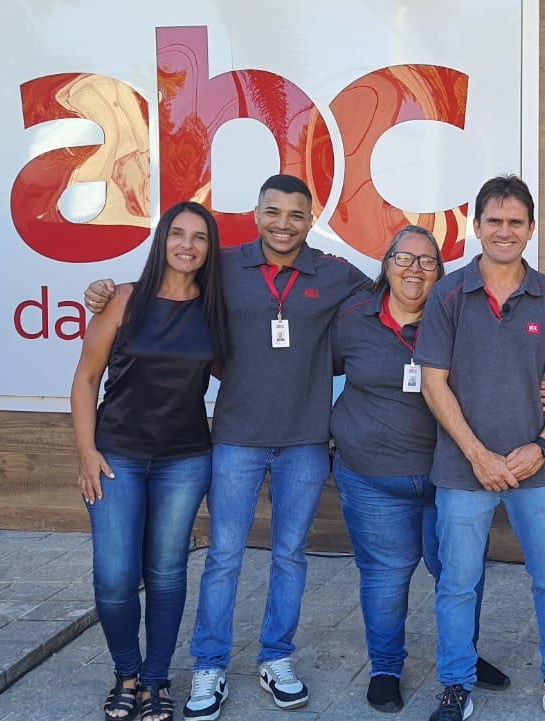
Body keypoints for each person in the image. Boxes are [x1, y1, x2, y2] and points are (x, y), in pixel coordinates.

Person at [84, 174, 370, 720]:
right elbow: (163, 289)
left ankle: (276, 657)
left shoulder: (335, 274)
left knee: (290, 556)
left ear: (311, 221)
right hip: (234, 439)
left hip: (306, 440)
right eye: (273, 212)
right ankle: (210, 664)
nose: (283, 224)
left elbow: (393, 298)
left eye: (296, 214)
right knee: (223, 558)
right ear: (256, 214)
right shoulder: (221, 267)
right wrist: (103, 291)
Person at [414, 174, 545, 721]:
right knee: (458, 584)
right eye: (495, 221)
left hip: (536, 469)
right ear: (476, 226)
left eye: (515, 222)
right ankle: (456, 685)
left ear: (531, 228)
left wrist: (543, 445)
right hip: (463, 468)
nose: (505, 231)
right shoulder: (448, 295)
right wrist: (479, 455)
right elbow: (433, 382)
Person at [329, 225, 511, 713]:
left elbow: (501, 374)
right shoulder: (352, 318)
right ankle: (386, 667)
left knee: (461, 575)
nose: (414, 269)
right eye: (404, 258)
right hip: (371, 476)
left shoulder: (459, 317)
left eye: (427, 261)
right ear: (386, 264)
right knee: (385, 578)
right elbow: (316, 370)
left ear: (440, 272)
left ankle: (463, 657)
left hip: (449, 474)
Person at [70, 203, 229, 721]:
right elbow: (86, 379)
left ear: (209, 249)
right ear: (162, 240)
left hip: (184, 460)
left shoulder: (214, 309)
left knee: (165, 573)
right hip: (116, 456)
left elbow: (240, 373)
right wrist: (87, 452)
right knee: (116, 576)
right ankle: (127, 674)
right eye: (177, 234)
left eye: (199, 237)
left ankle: (156, 679)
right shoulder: (123, 299)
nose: (187, 245)